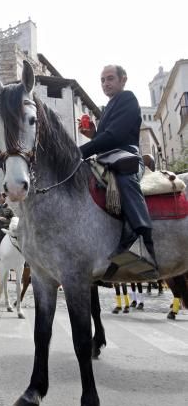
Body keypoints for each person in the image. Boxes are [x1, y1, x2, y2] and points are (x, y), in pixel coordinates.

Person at [79, 65, 157, 276]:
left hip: (127, 156)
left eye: (110, 78)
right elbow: (105, 139)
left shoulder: (128, 99)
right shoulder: (106, 109)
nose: (106, 83)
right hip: (106, 159)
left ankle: (141, 236)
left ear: (123, 79)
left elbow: (115, 137)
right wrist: (93, 135)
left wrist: (80, 150)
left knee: (124, 175)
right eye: (102, 80)